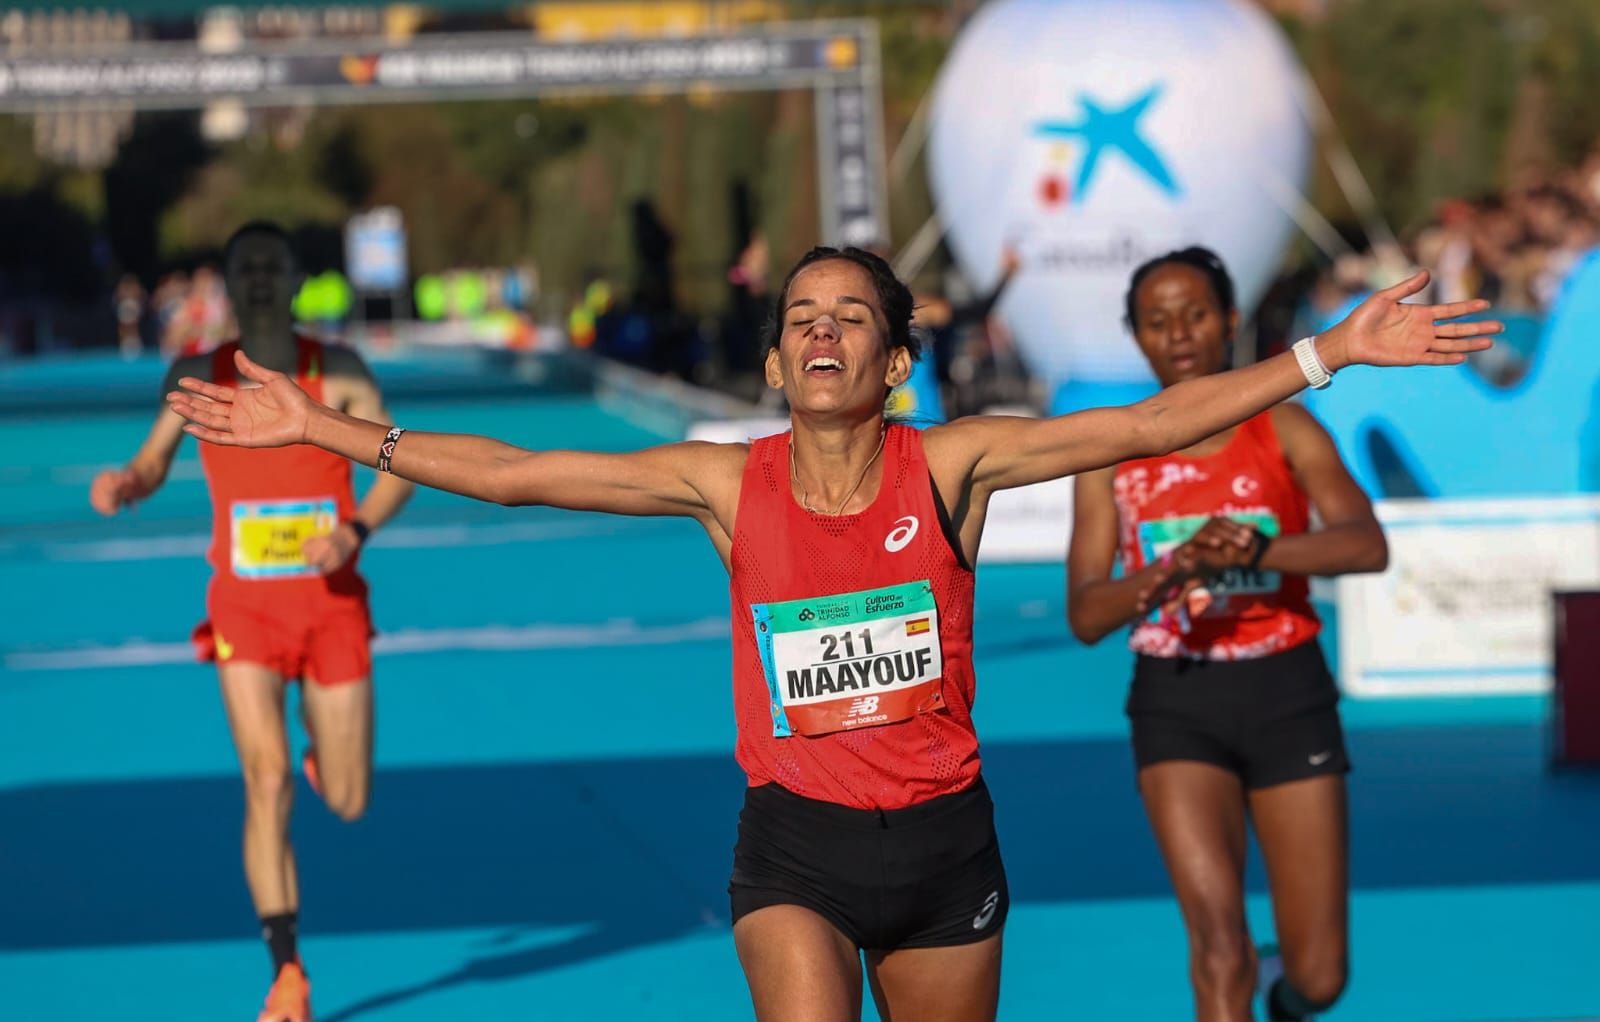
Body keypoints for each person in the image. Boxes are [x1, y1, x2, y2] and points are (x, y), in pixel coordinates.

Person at [166, 245, 1495, 1022]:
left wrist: (1334, 351)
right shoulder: (717, 481)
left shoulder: (956, 462)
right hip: (791, 843)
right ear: (771, 365)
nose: (820, 331)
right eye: (799, 317)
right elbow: (515, 470)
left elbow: (1152, 427)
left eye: (849, 316)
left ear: (893, 363)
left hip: (944, 849)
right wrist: (322, 428)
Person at [90, 221, 415, 1022]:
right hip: (245, 609)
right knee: (263, 782)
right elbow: (155, 459)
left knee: (346, 800)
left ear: (299, 278)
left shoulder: (336, 372)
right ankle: (287, 973)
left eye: (276, 265)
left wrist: (355, 530)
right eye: (247, 268)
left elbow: (399, 463)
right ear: (228, 284)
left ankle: (323, 756)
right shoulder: (195, 376)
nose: (262, 279)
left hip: (331, 603)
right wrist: (130, 482)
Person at [1067, 246, 1392, 1022]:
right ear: (1136, 336)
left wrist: (1261, 550)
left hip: (1287, 691)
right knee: (1219, 945)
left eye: (1196, 314)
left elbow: (1366, 545)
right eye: (1156, 321)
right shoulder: (1109, 455)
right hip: (1177, 701)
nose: (1179, 334)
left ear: (1231, 320)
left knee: (1320, 977)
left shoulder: (1285, 428)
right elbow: (1085, 614)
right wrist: (1168, 572)